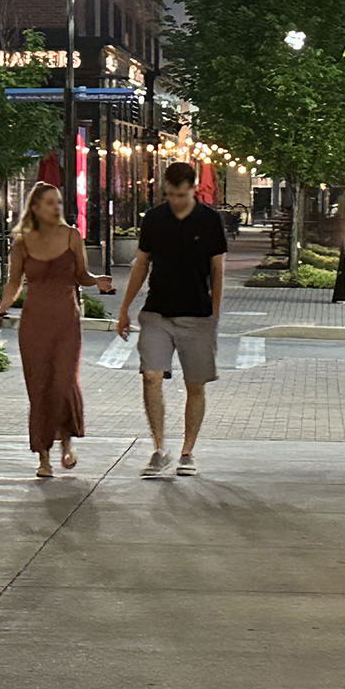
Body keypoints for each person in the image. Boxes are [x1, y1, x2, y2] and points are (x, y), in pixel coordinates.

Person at [116, 162, 228, 478]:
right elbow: (141, 264)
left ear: (193, 189)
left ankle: (187, 452)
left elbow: (217, 270)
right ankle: (158, 448)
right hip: (157, 312)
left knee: (195, 384)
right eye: (170, 195)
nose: (176, 200)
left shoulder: (209, 221)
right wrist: (124, 308)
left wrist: (214, 315)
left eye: (181, 195)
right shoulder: (154, 219)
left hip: (196, 314)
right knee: (151, 375)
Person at [0, 181, 113, 478]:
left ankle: (67, 443)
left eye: (58, 202)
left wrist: (96, 280)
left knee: (63, 382)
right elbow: (14, 282)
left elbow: (80, 275)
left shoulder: (72, 236)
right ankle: (43, 457)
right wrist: (1, 306)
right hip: (34, 323)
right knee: (40, 387)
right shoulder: (21, 242)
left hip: (65, 321)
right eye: (50, 202)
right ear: (35, 207)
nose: (56, 207)